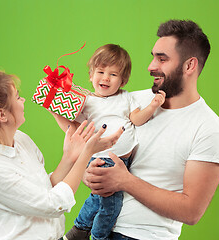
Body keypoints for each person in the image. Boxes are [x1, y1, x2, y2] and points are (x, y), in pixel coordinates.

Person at [84, 20, 219, 240]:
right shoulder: (133, 100)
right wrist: (92, 174)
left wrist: (124, 181)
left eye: (162, 59)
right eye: (153, 57)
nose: (151, 66)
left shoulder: (209, 129)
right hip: (95, 228)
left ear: (189, 66)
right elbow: (97, 145)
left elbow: (191, 212)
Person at [0, 70, 124, 240]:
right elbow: (53, 204)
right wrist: (86, 154)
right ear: (2, 114)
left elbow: (45, 190)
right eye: (17, 97)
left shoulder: (21, 140)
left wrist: (69, 157)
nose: (23, 100)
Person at [50, 44, 165, 240]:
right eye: (100, 72)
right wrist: (55, 109)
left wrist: (153, 106)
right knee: (112, 204)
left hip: (122, 161)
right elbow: (73, 129)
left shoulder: (125, 98)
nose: (105, 78)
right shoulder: (86, 102)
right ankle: (98, 236)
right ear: (90, 75)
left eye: (113, 74)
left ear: (122, 80)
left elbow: (136, 119)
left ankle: (79, 230)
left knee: (98, 199)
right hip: (102, 158)